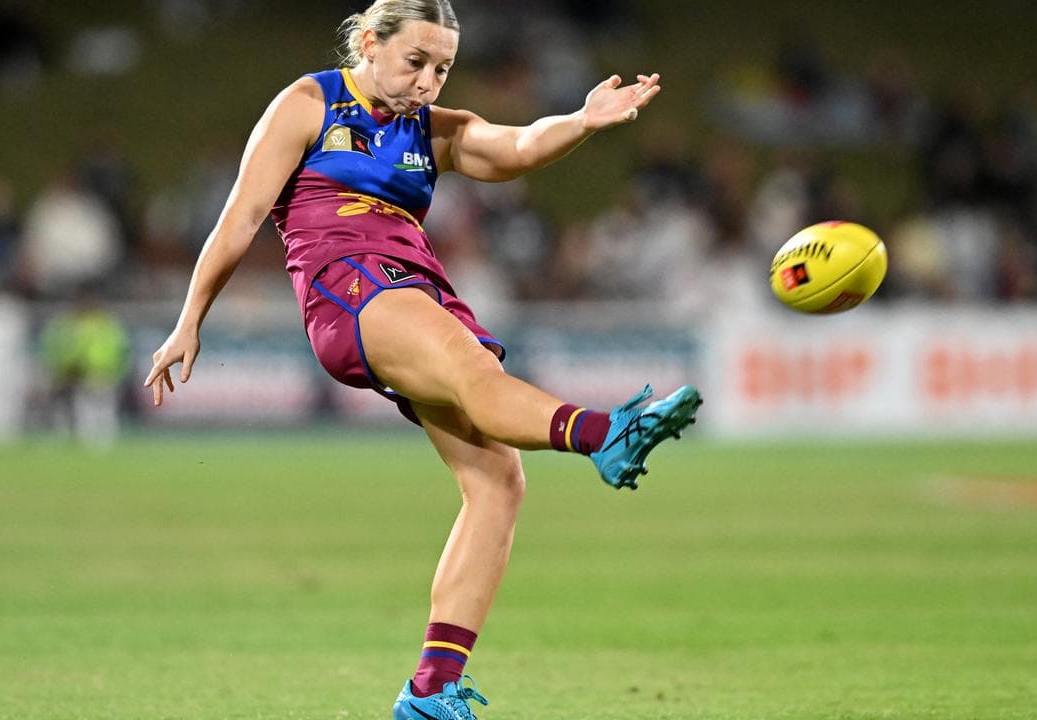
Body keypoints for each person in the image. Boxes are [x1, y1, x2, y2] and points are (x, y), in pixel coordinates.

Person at [142, 2, 702, 718]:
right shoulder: (309, 103)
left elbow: (514, 146)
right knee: (476, 380)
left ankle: (432, 691)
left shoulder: (432, 129)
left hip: (415, 287)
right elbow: (241, 218)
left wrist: (581, 121)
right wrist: (189, 320)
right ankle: (606, 433)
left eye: (443, 68)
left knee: (497, 480)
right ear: (369, 43)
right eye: (416, 62)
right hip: (349, 285)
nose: (429, 82)